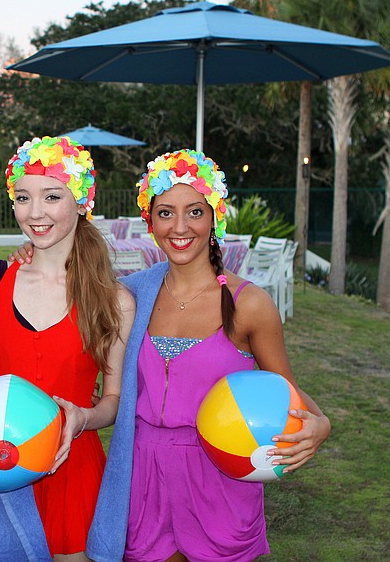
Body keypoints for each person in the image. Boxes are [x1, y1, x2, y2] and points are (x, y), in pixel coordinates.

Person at [86, 149, 331, 562]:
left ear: (214, 215)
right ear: (150, 221)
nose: (180, 227)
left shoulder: (249, 304)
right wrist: (28, 254)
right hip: (143, 477)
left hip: (220, 482)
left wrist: (321, 424)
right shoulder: (132, 294)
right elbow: (66, 283)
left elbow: (284, 389)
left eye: (194, 212)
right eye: (165, 213)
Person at [0, 136, 135, 560]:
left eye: (51, 196)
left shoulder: (114, 300)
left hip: (73, 471)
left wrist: (83, 417)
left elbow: (112, 400)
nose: (35, 213)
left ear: (80, 202)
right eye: (23, 198)